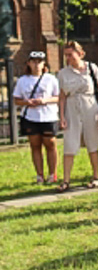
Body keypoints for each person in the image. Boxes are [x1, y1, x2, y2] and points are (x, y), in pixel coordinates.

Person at [57, 41, 98, 192]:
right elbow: (62, 96)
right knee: (70, 143)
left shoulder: (92, 68)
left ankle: (96, 176)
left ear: (80, 54)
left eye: (70, 54)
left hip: (90, 106)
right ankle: (66, 180)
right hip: (72, 108)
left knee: (92, 142)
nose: (68, 58)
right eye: (66, 55)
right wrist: (62, 116)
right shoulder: (63, 73)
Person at [13, 51, 60, 184]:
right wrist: (27, 102)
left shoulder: (51, 79)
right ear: (28, 63)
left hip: (48, 116)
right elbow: (17, 100)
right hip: (30, 117)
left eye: (39, 61)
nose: (36, 64)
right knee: (35, 145)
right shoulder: (23, 80)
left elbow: (58, 97)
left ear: (44, 63)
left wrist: (44, 101)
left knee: (50, 144)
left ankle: (52, 174)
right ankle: (40, 175)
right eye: (33, 61)